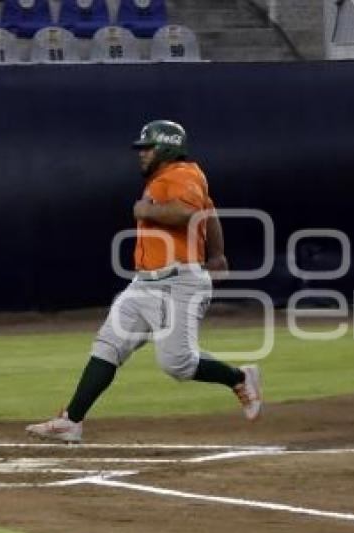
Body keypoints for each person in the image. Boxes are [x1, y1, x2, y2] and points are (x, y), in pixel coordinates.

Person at [26, 120, 262, 443]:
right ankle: (72, 420)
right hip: (144, 284)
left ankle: (240, 377)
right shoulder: (165, 179)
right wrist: (218, 253)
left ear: (166, 147)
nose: (141, 154)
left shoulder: (183, 174)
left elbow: (186, 213)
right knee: (109, 344)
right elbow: (209, 211)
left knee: (176, 363)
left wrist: (146, 211)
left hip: (178, 283)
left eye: (147, 148)